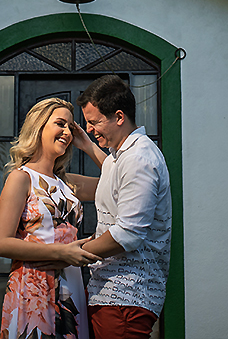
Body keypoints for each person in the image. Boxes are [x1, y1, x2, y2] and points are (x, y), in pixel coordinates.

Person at [0, 97, 102, 339]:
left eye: (70, 127)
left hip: (71, 287)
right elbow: (0, 244)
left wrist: (88, 145)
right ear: (39, 126)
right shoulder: (21, 178)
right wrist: (61, 253)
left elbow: (118, 182)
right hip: (33, 288)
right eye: (60, 124)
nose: (67, 132)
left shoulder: (68, 183)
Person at [72, 74, 172, 339]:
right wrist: (87, 146)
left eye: (94, 122)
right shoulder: (122, 155)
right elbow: (112, 172)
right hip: (113, 294)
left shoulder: (139, 158)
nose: (89, 129)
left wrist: (74, 253)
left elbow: (128, 233)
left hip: (126, 297)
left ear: (118, 117)